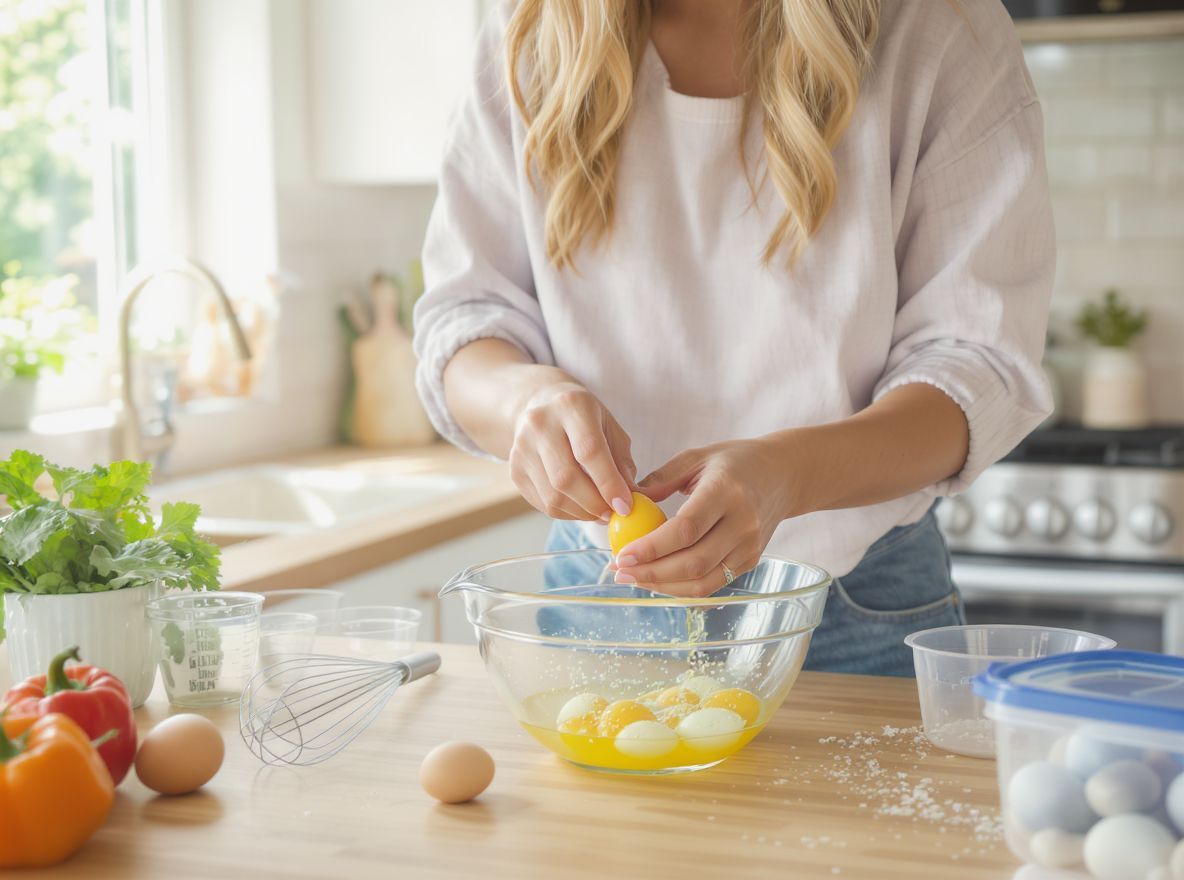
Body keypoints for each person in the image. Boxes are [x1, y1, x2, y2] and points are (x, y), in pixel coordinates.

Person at [413, 0, 1054, 675]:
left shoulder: (938, 28)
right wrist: (524, 403)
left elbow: (979, 369)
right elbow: (465, 322)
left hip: (851, 604)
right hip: (599, 593)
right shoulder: (533, 30)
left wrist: (790, 475)